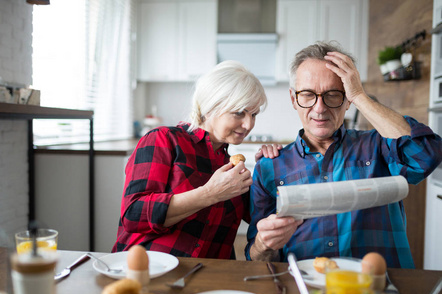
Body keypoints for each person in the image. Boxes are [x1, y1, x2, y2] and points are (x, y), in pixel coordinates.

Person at [245, 41, 442, 268]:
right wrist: (264, 243)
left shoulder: (379, 146)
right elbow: (256, 257)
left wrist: (359, 94)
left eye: (333, 95)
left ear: (348, 100)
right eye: (308, 95)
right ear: (293, 99)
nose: (319, 108)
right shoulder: (270, 166)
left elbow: (426, 155)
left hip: (380, 288)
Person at [112, 60, 280, 259]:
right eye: (239, 113)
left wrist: (267, 172)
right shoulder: (164, 139)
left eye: (253, 114)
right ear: (211, 106)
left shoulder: (230, 167)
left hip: (208, 277)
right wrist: (210, 193)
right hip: (147, 270)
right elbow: (134, 214)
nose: (248, 124)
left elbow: (259, 216)